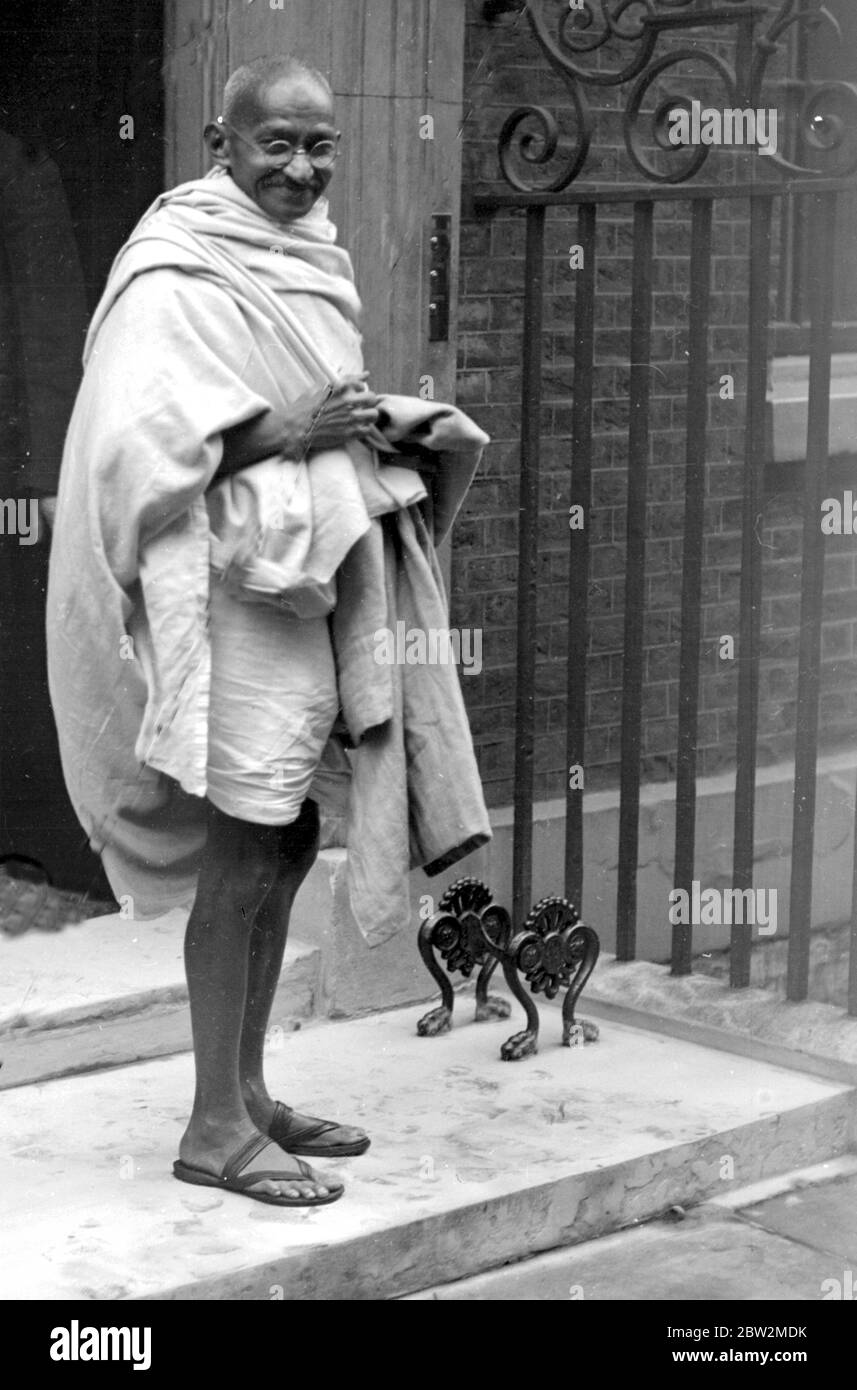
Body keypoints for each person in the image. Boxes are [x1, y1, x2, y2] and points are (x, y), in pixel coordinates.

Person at [46, 56, 491, 1208]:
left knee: (289, 839)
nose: (299, 168)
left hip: (305, 583)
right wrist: (288, 429)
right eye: (274, 146)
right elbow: (136, 444)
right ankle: (208, 1125)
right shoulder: (173, 267)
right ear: (219, 140)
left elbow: (298, 402)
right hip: (232, 593)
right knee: (246, 848)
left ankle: (247, 1093)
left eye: (318, 146)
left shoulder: (309, 254)